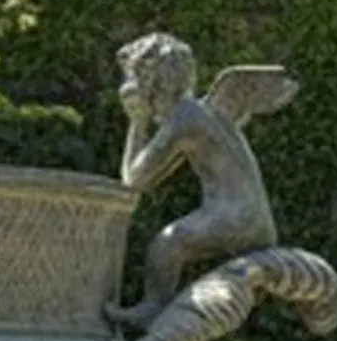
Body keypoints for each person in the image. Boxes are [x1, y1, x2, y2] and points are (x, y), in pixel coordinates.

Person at [116, 32, 296, 319]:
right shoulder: (203, 112)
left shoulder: (185, 118)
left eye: (133, 78)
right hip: (253, 219)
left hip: (235, 218)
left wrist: (137, 123)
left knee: (166, 245)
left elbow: (134, 180)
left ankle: (152, 309)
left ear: (152, 83)